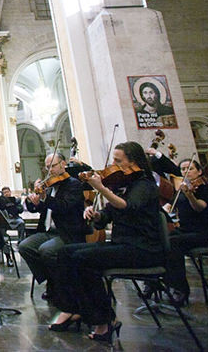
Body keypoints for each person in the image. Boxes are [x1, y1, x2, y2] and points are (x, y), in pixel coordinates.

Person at [48, 141, 162, 343]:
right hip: (121, 245)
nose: (114, 165)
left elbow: (128, 207)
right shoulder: (122, 186)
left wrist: (101, 188)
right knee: (66, 253)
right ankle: (71, 308)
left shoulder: (145, 185)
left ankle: (104, 319)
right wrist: (96, 214)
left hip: (143, 248)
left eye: (118, 161)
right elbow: (108, 214)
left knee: (84, 259)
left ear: (133, 162)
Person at [19, 152, 86, 297]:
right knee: (24, 246)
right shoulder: (49, 186)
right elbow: (36, 208)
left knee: (46, 250)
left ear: (63, 164)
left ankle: (60, 288)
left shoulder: (73, 184)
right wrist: (33, 201)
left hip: (67, 233)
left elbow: (64, 206)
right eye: (47, 167)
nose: (50, 171)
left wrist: (45, 198)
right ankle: (52, 280)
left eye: (53, 166)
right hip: (48, 232)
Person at [162, 158, 208, 304]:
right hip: (186, 230)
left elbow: (199, 207)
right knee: (162, 238)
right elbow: (170, 205)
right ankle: (161, 282)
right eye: (182, 169)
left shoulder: (203, 188)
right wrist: (166, 208)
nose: (185, 172)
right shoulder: (181, 189)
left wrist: (189, 195)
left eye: (190, 168)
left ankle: (180, 289)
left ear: (199, 171)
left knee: (174, 242)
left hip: (202, 232)